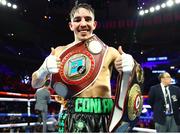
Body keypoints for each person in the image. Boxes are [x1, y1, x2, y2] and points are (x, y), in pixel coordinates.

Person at [31, 3, 143, 132]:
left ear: (94, 24)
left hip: (105, 116)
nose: (83, 24)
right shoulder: (59, 52)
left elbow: (130, 77)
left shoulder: (109, 52)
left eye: (88, 19)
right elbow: (35, 83)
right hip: (73, 116)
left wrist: (129, 64)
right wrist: (43, 69)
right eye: (77, 20)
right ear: (71, 25)